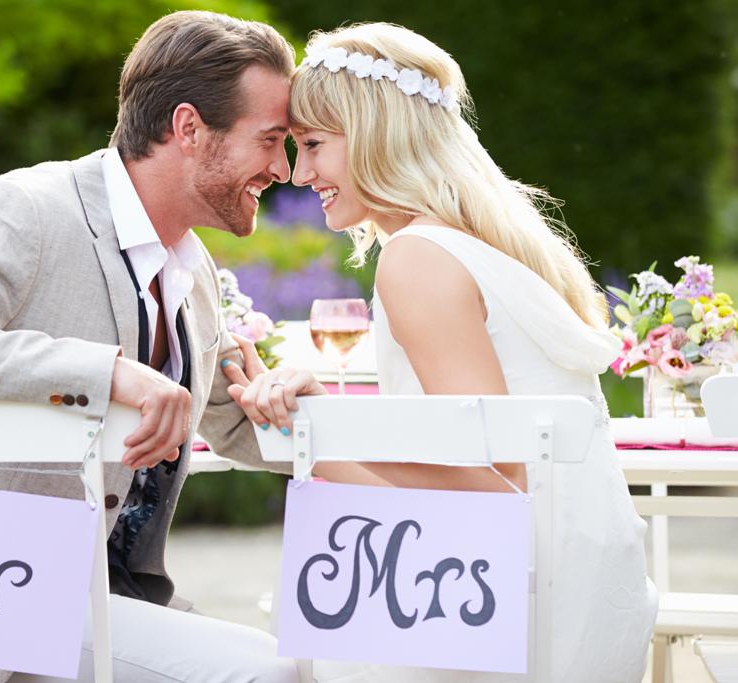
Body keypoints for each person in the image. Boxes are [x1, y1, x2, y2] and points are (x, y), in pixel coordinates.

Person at [0, 11, 302, 683]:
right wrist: (105, 373)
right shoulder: (27, 209)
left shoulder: (194, 278)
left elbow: (229, 420)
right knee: (268, 673)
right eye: (271, 140)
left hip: (91, 601)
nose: (285, 169)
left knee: (301, 660)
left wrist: (295, 410)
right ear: (188, 128)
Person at [224, 22, 657, 682]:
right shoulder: (488, 243)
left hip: (511, 604)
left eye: (313, 144)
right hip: (588, 578)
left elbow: (492, 486)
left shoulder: (417, 257)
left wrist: (314, 435)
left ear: (377, 134)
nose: (299, 172)